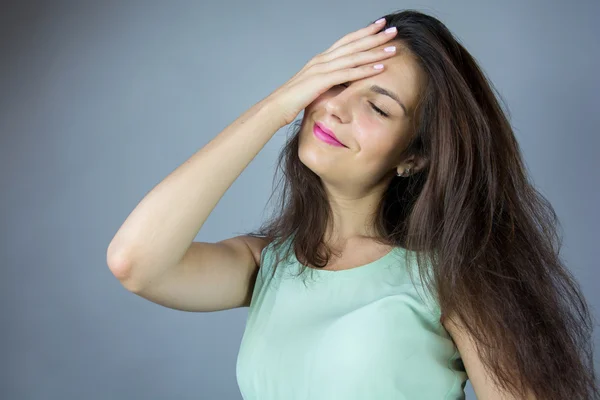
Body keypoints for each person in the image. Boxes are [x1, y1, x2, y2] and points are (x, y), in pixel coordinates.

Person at [106, 9, 599, 400]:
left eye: (379, 106)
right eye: (337, 82)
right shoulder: (269, 265)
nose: (337, 107)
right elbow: (135, 262)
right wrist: (277, 105)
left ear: (413, 156)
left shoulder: (452, 278)